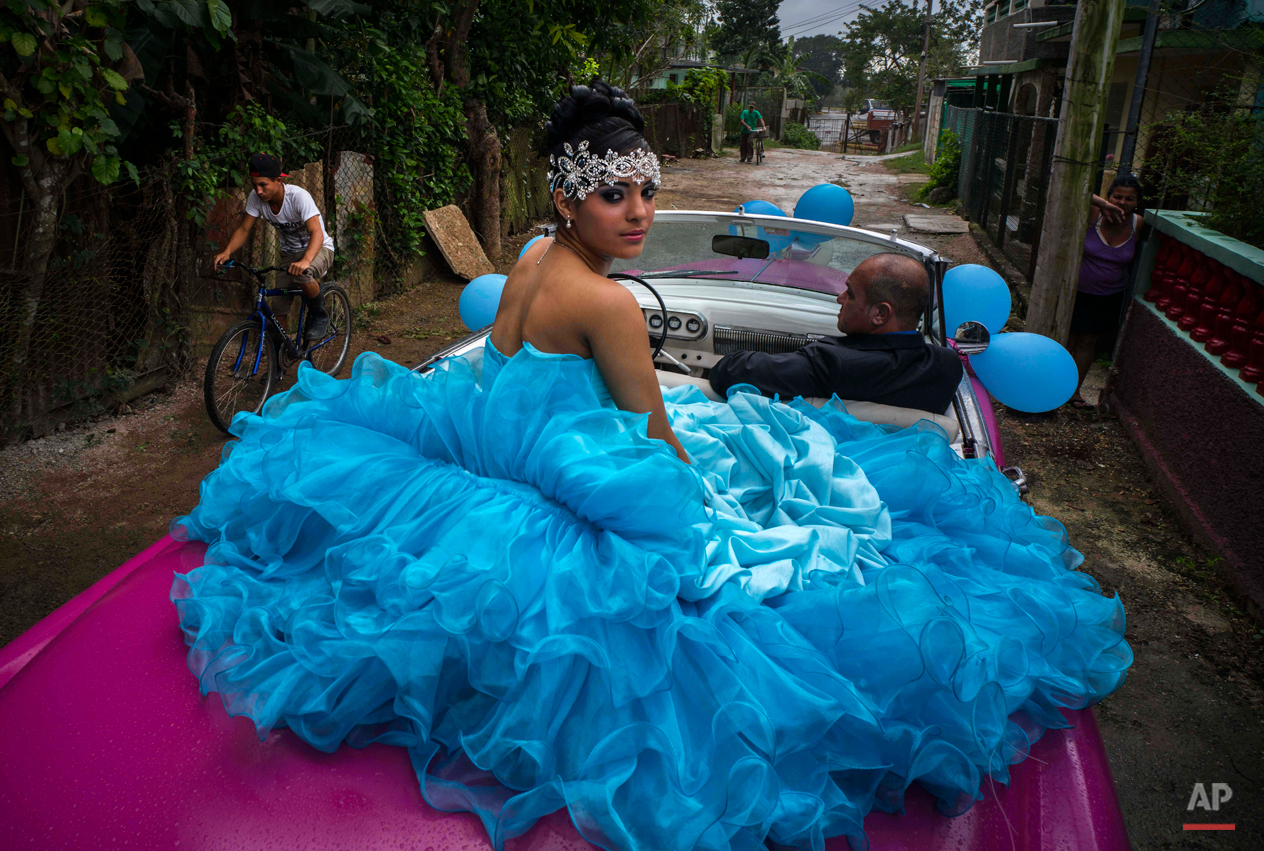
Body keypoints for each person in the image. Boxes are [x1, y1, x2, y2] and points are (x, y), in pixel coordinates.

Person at [171, 82, 1130, 851]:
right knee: (771, 505)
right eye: (613, 193)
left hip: (503, 458)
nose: (638, 213)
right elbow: (659, 440)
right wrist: (714, 498)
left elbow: (523, 379)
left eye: (647, 190)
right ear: (566, 195)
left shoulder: (541, 255)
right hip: (573, 476)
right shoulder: (612, 304)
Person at [709, 253, 964, 414]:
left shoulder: (831, 363)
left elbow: (728, 373)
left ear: (880, 315)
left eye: (850, 293)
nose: (839, 298)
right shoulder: (948, 365)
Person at [212, 153, 336, 342]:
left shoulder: (298, 197)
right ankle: (278, 363)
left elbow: (317, 233)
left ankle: (320, 315)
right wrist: (227, 252)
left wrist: (305, 261)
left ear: (278, 180)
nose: (259, 191)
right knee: (278, 308)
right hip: (290, 254)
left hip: (319, 248)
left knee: (302, 273)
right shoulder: (257, 198)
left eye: (263, 185)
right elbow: (244, 229)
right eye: (255, 185)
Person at [1067, 175, 1143, 409]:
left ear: (1137, 202)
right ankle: (1053, 387)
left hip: (1108, 296)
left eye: (1129, 199)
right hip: (1076, 291)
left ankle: (1074, 393)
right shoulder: (1094, 214)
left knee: (1087, 343)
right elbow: (1072, 190)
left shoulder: (1137, 224)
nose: (1122, 202)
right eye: (1117, 196)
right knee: (1067, 340)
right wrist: (1102, 204)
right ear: (1108, 196)